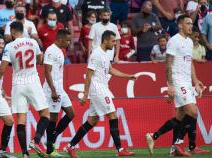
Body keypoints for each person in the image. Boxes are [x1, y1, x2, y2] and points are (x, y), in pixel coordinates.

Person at [64, 30, 136, 158]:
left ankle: (70, 146)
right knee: (113, 115)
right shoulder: (96, 54)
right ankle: (120, 149)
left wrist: (127, 76)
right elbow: (88, 75)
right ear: (106, 40)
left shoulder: (106, 53)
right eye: (113, 41)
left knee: (92, 120)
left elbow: (111, 70)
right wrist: (85, 94)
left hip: (103, 88)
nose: (114, 44)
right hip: (98, 89)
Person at [145, 15, 210, 156]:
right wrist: (170, 85)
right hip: (178, 81)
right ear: (180, 25)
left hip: (187, 82)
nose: (191, 26)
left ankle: (153, 136)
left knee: (180, 118)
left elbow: (190, 62)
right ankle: (178, 144)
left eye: (192, 23)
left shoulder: (189, 42)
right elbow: (167, 65)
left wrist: (196, 80)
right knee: (192, 112)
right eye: (188, 23)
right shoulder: (174, 41)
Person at [0, 21, 50, 158]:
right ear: (23, 30)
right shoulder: (33, 42)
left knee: (21, 119)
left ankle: (25, 154)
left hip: (17, 84)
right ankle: (35, 141)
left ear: (12, 32)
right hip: (33, 81)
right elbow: (40, 59)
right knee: (45, 114)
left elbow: (2, 69)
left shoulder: (9, 46)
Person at [43, 29, 75, 157]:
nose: (69, 43)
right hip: (53, 89)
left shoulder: (60, 51)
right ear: (60, 39)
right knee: (54, 118)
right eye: (67, 40)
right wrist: (53, 90)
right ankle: (50, 150)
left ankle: (51, 139)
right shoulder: (51, 50)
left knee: (71, 113)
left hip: (60, 89)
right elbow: (47, 71)